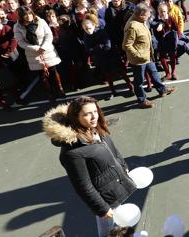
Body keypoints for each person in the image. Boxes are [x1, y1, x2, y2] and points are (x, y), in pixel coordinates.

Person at [43, 96, 137, 237]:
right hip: (105, 199)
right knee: (107, 230)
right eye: (87, 114)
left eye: (95, 111)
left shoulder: (96, 129)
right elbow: (83, 186)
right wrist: (102, 209)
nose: (94, 117)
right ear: (75, 117)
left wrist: (124, 166)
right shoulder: (72, 153)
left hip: (115, 186)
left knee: (118, 224)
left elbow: (114, 151)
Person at [122, 3, 176, 109]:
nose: (149, 17)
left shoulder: (141, 21)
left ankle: (162, 90)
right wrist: (138, 55)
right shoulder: (132, 26)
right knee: (139, 81)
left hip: (147, 55)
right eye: (147, 15)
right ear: (141, 15)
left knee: (154, 73)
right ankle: (142, 100)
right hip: (139, 59)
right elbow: (126, 45)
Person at [14, 6, 65, 101]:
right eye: (25, 15)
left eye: (29, 14)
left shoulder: (40, 21)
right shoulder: (17, 26)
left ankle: (60, 89)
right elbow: (20, 42)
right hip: (33, 53)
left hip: (47, 50)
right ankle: (48, 92)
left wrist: (44, 47)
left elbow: (48, 35)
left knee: (54, 71)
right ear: (21, 16)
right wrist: (35, 48)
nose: (28, 16)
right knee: (42, 74)